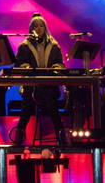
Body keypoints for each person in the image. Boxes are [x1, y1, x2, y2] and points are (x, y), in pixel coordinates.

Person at [11, 13, 67, 145]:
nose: (39, 28)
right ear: (31, 28)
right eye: (36, 26)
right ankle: (17, 143)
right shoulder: (24, 46)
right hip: (31, 86)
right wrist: (27, 68)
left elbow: (61, 64)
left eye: (41, 25)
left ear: (45, 27)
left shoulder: (54, 45)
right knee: (25, 114)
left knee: (55, 114)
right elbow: (18, 64)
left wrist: (55, 68)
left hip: (49, 85)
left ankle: (63, 142)